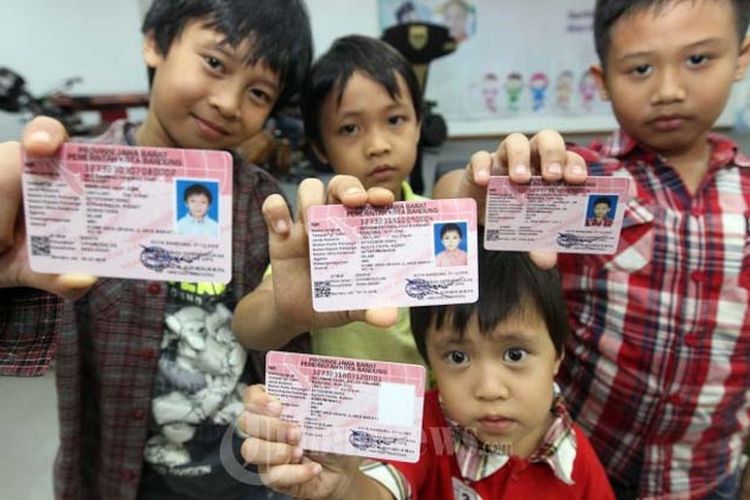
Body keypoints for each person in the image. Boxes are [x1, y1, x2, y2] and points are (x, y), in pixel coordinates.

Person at [434, 0, 750, 497]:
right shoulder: (578, 178)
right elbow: (450, 193)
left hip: (706, 475)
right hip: (582, 467)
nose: (669, 89)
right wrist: (478, 192)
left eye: (697, 59)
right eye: (640, 68)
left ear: (741, 57)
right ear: (603, 79)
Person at [0, 0, 314, 498]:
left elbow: (282, 351)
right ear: (154, 43)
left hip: (247, 473)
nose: (228, 102)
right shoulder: (72, 184)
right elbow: (25, 339)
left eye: (258, 92)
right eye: (215, 63)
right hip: (120, 472)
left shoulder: (264, 204)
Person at [238, 249, 615, 499]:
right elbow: (377, 489)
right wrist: (344, 487)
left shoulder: (576, 455)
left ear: (557, 355)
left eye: (514, 354)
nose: (489, 389)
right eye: (457, 357)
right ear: (430, 361)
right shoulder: (422, 428)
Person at [233, 35, 429, 367]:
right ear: (320, 148)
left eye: (395, 120)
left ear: (419, 124)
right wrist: (286, 314)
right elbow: (246, 327)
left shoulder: (439, 225)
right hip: (341, 399)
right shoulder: (317, 232)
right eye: (350, 128)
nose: (378, 145)